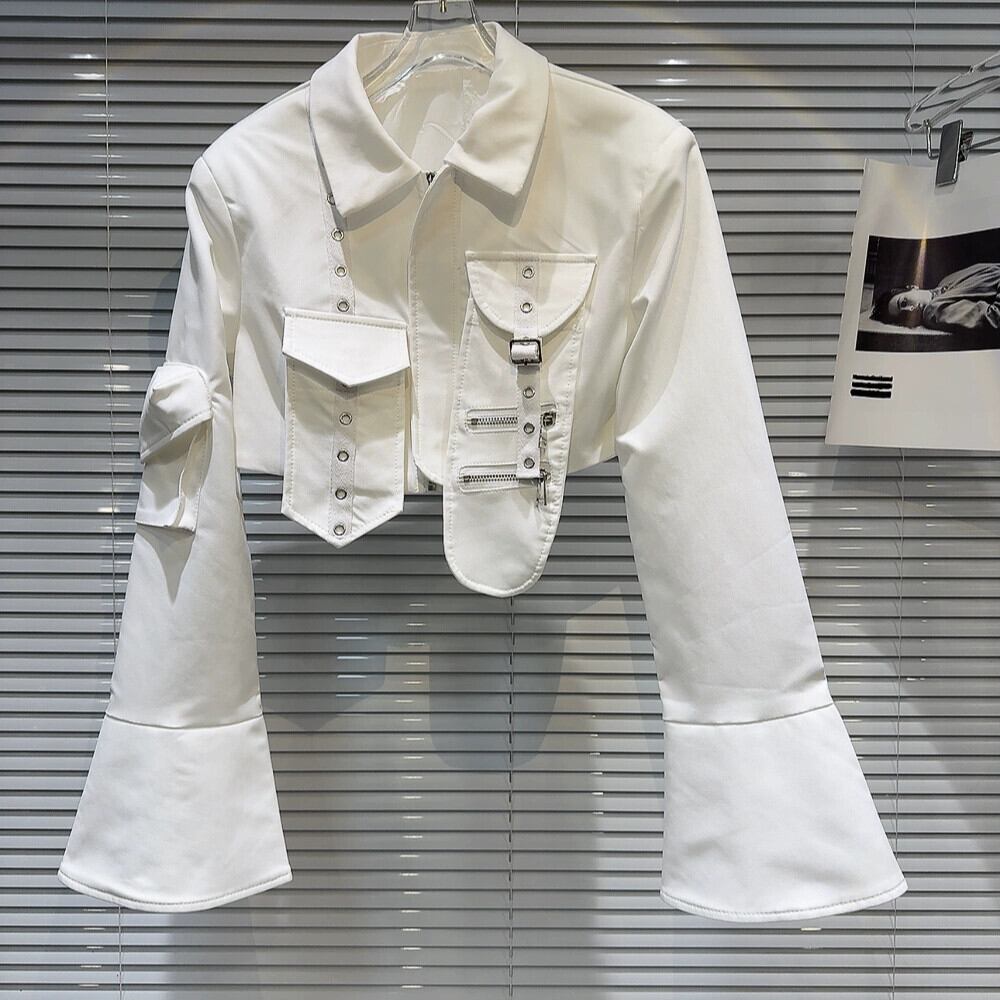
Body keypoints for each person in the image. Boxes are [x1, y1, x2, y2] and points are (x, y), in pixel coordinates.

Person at [869, 261, 1000, 334]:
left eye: (904, 303)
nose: (910, 310)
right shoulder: (932, 311)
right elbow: (995, 317)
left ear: (912, 287)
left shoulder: (946, 280)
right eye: (903, 316)